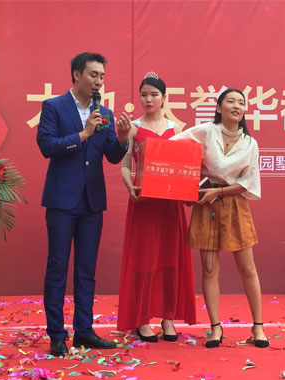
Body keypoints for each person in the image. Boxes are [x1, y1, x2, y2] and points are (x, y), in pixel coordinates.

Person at [36, 52, 130, 357]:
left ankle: (84, 332)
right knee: (57, 267)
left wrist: (123, 139)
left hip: (92, 201)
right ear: (76, 75)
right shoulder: (54, 106)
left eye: (102, 76)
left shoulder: (105, 112)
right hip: (61, 200)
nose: (99, 81)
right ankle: (56, 335)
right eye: (93, 75)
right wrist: (83, 134)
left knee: (86, 270)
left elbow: (112, 156)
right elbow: (46, 146)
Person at [172, 88, 269, 348]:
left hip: (235, 205)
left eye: (241, 103)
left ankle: (258, 327)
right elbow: (173, 147)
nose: (236, 106)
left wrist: (219, 192)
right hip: (206, 205)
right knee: (209, 269)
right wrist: (186, 186)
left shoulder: (250, 143)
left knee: (248, 269)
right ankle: (216, 328)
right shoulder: (206, 132)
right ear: (218, 108)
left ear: (244, 110)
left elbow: (248, 183)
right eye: (230, 101)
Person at [116, 73, 196, 342]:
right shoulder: (133, 128)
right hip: (144, 204)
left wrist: (188, 190)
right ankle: (141, 318)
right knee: (145, 261)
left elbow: (186, 166)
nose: (148, 99)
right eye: (144, 95)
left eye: (154, 94)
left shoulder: (178, 129)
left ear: (164, 98)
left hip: (171, 206)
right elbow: (125, 165)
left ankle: (168, 317)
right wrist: (130, 187)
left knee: (170, 260)